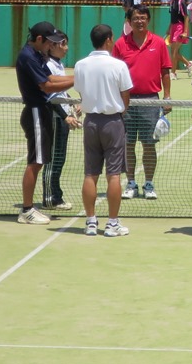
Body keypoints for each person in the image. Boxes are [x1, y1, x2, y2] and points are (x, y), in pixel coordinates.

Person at [74, 24, 134, 237]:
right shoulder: (118, 65)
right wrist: (121, 110)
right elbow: (126, 94)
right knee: (114, 175)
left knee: (90, 173)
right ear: (108, 39)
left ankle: (91, 222)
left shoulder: (80, 65)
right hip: (112, 122)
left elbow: (80, 91)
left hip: (90, 122)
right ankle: (112, 224)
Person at [112, 4, 172, 200]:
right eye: (136, 18)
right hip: (126, 101)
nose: (139, 21)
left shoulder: (159, 43)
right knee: (128, 144)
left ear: (148, 20)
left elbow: (165, 71)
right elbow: (114, 74)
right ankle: (130, 183)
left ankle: (148, 184)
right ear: (129, 22)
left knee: (149, 144)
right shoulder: (120, 44)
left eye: (143, 17)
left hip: (150, 101)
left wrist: (167, 97)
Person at [16, 22, 74, 224]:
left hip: (42, 112)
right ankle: (27, 210)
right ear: (39, 39)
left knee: (39, 161)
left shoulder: (37, 55)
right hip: (36, 113)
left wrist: (78, 77)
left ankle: (29, 208)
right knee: (36, 162)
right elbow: (47, 86)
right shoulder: (28, 57)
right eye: (50, 42)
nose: (52, 46)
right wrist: (80, 80)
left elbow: (51, 78)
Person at [42, 34, 82, 212]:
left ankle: (56, 196)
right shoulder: (48, 65)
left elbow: (60, 93)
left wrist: (72, 102)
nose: (66, 48)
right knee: (53, 159)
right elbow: (50, 97)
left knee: (59, 158)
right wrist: (65, 116)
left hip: (62, 117)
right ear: (52, 46)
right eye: (63, 44)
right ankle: (50, 198)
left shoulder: (58, 64)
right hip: (54, 118)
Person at [165, 0, 192, 79]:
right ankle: (189, 64)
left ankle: (173, 73)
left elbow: (186, 17)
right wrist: (169, 28)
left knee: (174, 51)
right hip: (173, 27)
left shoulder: (181, 1)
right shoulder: (173, 1)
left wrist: (185, 31)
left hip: (180, 27)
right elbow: (173, 17)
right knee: (174, 51)